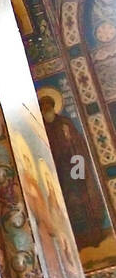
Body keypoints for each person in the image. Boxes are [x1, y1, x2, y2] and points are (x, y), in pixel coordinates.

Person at [38, 90, 108, 251]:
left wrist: (71, 142)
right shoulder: (41, 127)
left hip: (74, 165)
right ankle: (74, 239)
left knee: (84, 196)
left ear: (54, 107)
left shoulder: (65, 123)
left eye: (49, 107)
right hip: (56, 172)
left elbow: (78, 144)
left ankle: (94, 233)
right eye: (43, 108)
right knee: (64, 202)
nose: (47, 111)